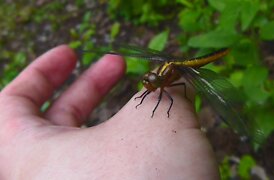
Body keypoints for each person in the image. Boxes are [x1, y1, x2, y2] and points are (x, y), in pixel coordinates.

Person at [0, 45, 219, 179]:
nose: (148, 85)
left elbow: (168, 97)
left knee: (174, 94)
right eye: (147, 82)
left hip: (190, 66)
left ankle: (224, 51)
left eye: (152, 82)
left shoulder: (168, 81)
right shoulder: (156, 79)